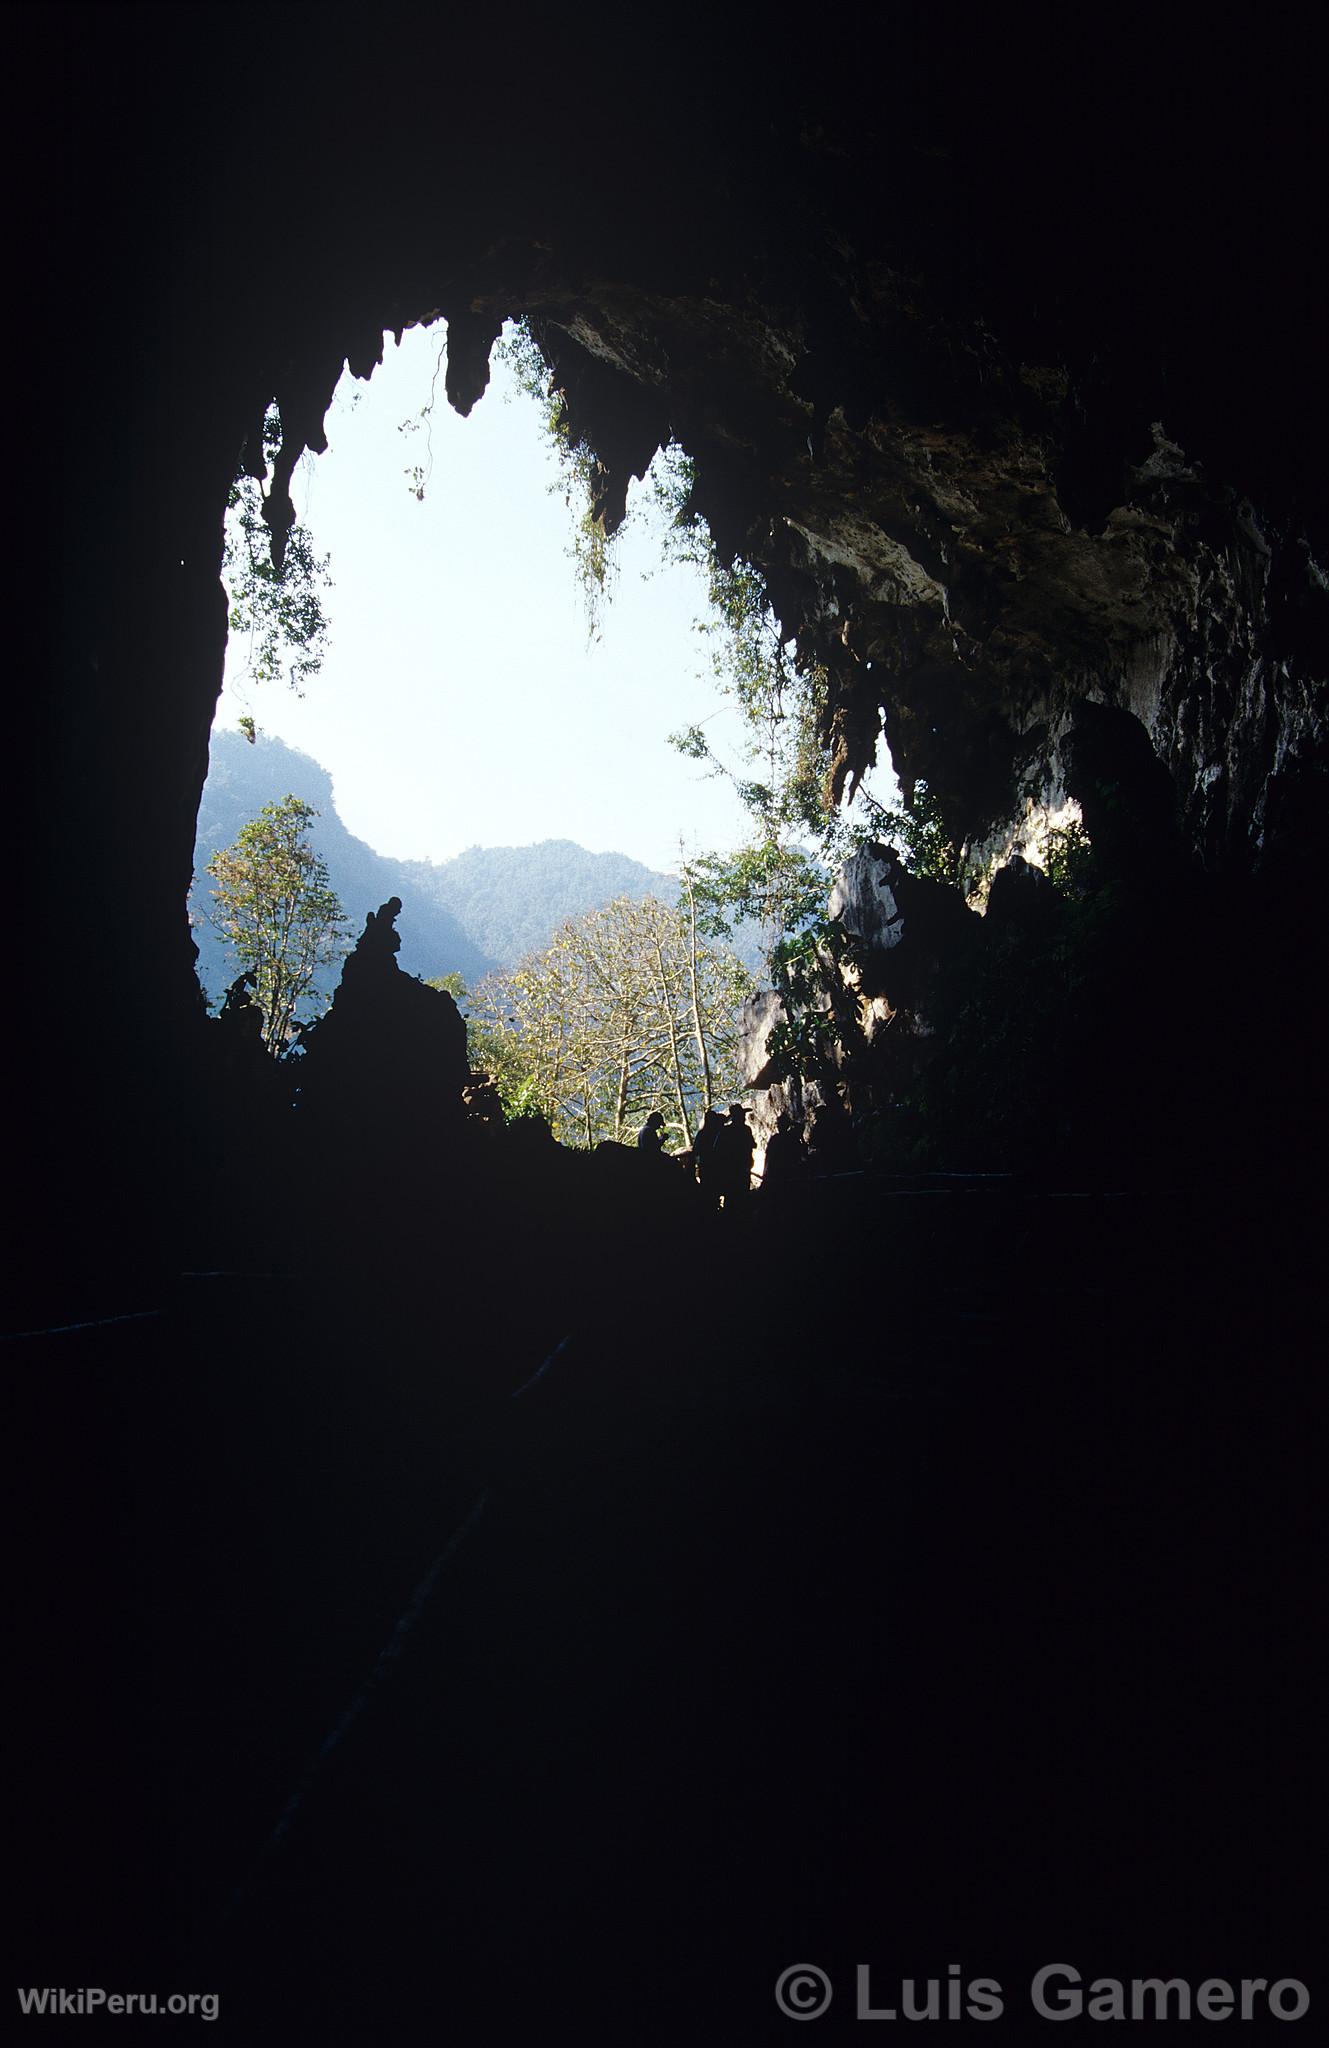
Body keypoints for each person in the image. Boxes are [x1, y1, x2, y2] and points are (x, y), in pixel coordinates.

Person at [712, 1103, 755, 1209]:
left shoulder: (726, 1131)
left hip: (733, 1171)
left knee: (733, 1198)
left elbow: (716, 1149)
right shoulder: (745, 1130)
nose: (744, 1118)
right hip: (737, 1170)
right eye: (742, 1115)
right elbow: (752, 1145)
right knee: (739, 1198)